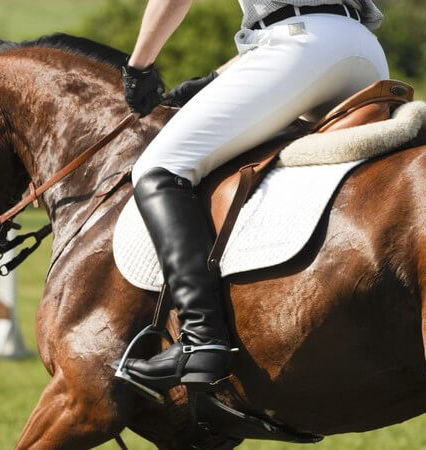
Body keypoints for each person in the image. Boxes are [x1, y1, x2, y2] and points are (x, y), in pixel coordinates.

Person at [119, 0, 389, 391]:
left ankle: (201, 338)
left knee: (159, 168)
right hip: (363, 51)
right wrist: (215, 78)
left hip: (300, 47)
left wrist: (139, 67)